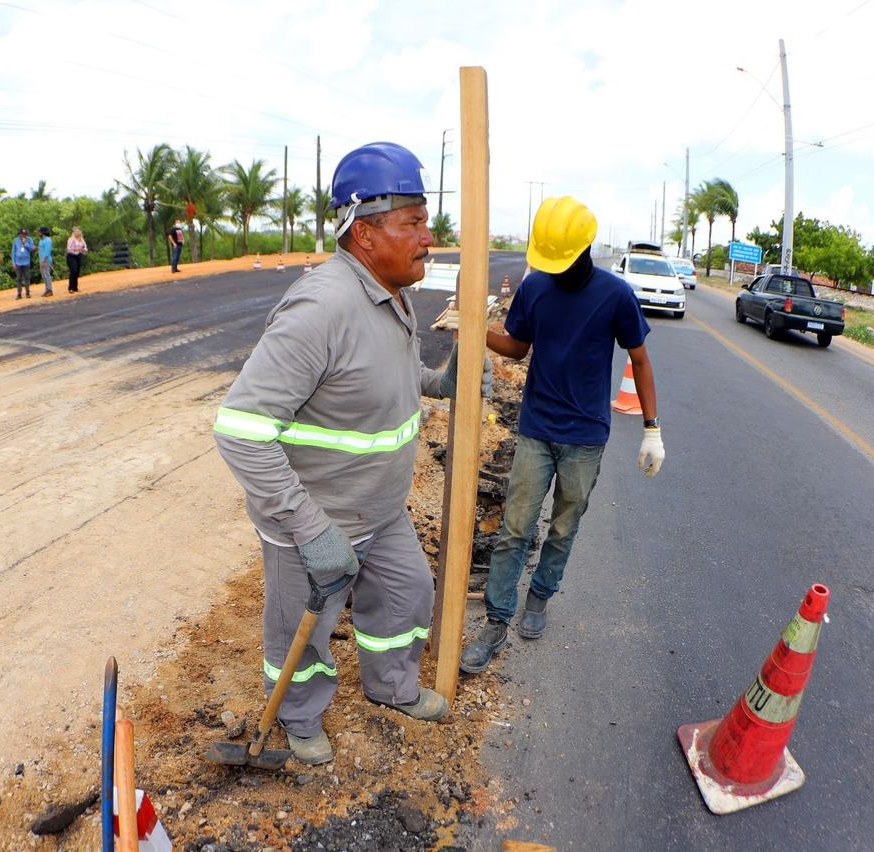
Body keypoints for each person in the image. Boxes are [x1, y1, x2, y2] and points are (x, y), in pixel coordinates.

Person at [213, 141, 491, 766]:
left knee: (406, 595)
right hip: (316, 518)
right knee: (300, 636)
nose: (429, 239)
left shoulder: (391, 290)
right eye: (413, 223)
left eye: (427, 222)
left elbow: (375, 374)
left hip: (381, 509)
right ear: (365, 233)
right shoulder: (323, 307)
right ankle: (297, 717)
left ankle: (391, 688)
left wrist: (439, 381)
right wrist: (310, 530)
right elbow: (239, 428)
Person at [459, 196, 665, 674]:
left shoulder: (616, 295)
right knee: (514, 528)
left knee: (564, 526)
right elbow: (517, 347)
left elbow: (640, 360)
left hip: (585, 437)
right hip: (536, 428)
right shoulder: (535, 290)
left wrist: (652, 428)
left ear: (585, 249)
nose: (557, 270)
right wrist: (475, 328)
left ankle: (540, 597)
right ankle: (496, 620)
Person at [12, 228, 34, 299]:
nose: (24, 235)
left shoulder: (29, 239)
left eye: (25, 234)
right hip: (18, 262)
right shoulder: (16, 240)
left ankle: (27, 292)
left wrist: (25, 244)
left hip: (26, 262)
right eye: (22, 234)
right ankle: (19, 294)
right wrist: (13, 262)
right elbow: (13, 252)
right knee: (18, 278)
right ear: (20, 234)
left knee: (27, 277)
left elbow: (32, 249)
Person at [66, 227, 88, 293]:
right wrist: (76, 249)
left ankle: (75, 287)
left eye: (78, 231)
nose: (77, 233)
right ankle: (70, 288)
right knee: (73, 270)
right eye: (76, 231)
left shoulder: (82, 240)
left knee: (77, 271)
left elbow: (86, 249)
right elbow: (69, 249)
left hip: (78, 256)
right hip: (71, 256)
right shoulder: (71, 239)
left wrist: (83, 250)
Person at [38, 227, 55, 296]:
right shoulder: (41, 240)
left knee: (47, 275)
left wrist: (43, 261)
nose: (38, 233)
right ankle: (46, 289)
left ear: (43, 233)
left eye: (39, 232)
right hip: (41, 260)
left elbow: (47, 252)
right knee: (44, 276)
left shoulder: (48, 240)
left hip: (46, 260)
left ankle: (50, 290)